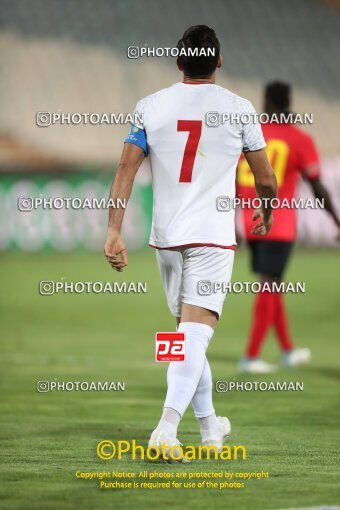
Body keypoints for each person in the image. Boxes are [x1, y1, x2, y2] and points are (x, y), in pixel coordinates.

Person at [104, 25, 277, 460]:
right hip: (212, 239)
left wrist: (113, 230)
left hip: (166, 240)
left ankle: (209, 428)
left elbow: (125, 171)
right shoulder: (239, 109)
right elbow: (266, 177)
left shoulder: (150, 106)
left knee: (187, 337)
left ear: (179, 61)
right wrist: (267, 208)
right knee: (194, 336)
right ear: (219, 61)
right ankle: (165, 428)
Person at [237, 81, 340, 374]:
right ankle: (251, 356)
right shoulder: (298, 138)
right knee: (270, 285)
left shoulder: (251, 133)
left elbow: (233, 178)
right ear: (288, 101)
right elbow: (317, 185)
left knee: (273, 283)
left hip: (250, 221)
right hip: (279, 224)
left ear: (266, 101)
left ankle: (286, 350)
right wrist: (335, 218)